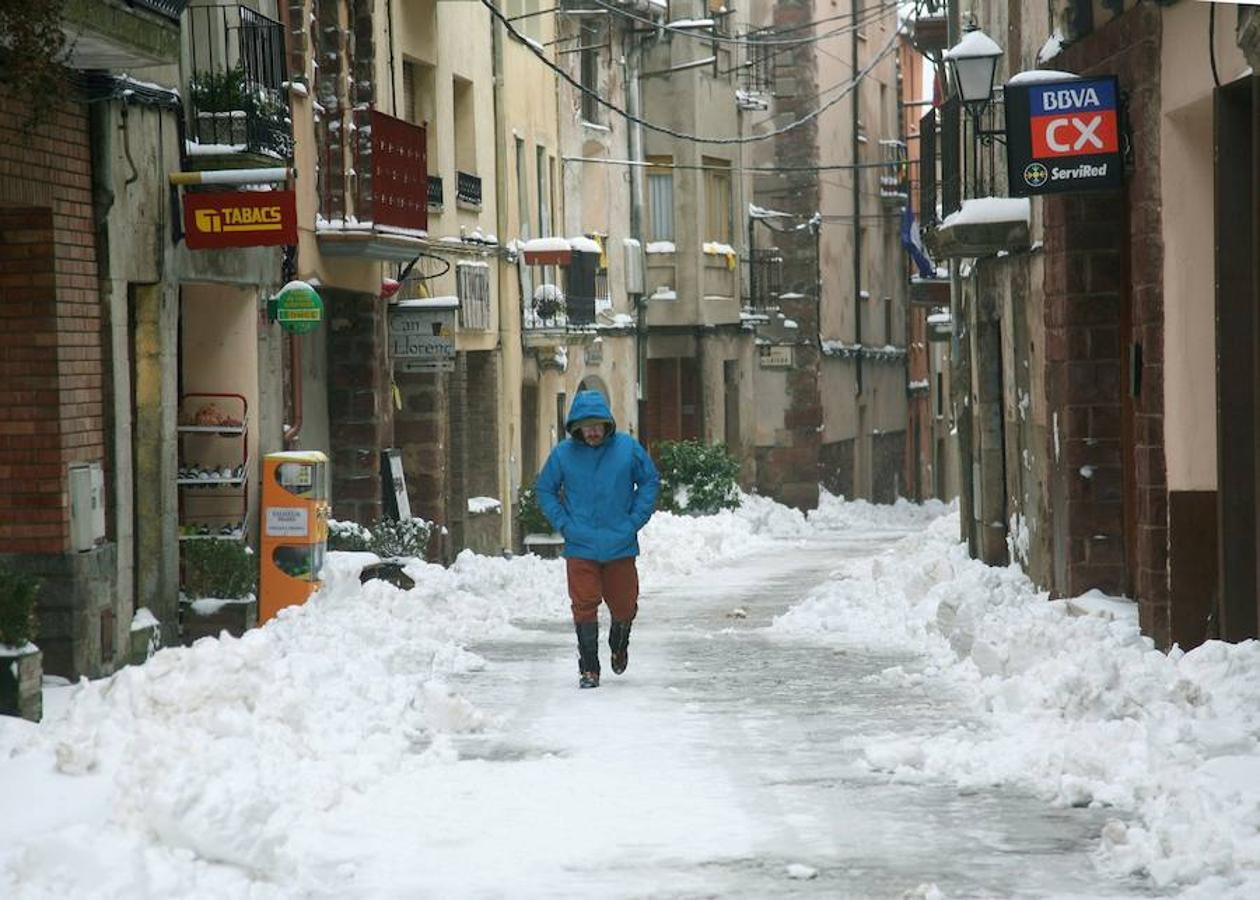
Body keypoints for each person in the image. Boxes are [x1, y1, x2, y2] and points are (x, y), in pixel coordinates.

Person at [535, 390, 660, 689]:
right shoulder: (563, 455)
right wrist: (564, 523)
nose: (591, 431)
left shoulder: (627, 449)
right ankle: (589, 667)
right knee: (584, 604)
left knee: (624, 604)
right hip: (581, 544)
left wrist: (633, 522)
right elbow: (545, 490)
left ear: (607, 424)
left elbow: (649, 482)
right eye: (585, 425)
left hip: (620, 543)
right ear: (576, 427)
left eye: (597, 425)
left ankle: (619, 642)